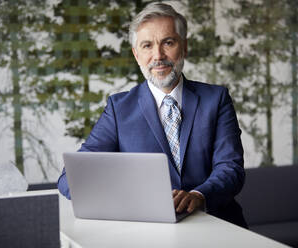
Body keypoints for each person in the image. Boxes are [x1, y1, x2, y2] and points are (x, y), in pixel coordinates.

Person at [58, 2, 247, 227]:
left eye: (168, 42)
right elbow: (71, 178)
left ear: (184, 47)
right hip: (149, 233)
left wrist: (198, 196)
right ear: (136, 55)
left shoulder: (216, 99)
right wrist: (128, 201)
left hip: (217, 225)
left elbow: (230, 168)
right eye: (147, 46)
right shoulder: (119, 109)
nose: (158, 55)